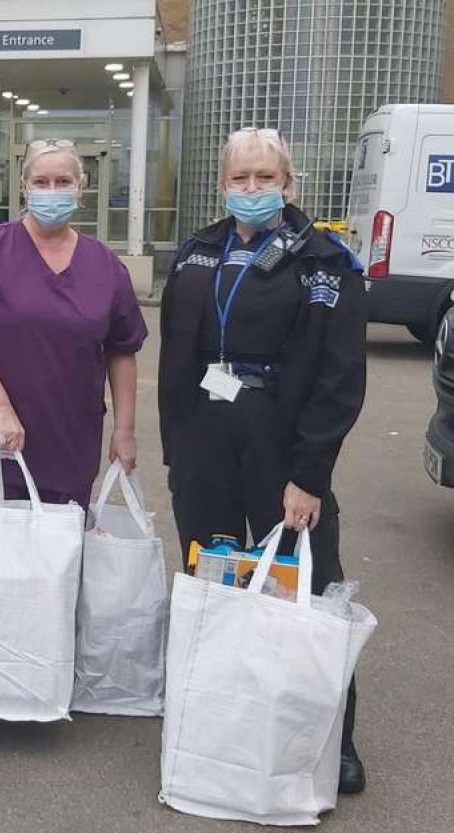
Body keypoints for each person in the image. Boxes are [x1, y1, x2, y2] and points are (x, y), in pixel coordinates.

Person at [158, 127, 368, 793]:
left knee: (302, 586)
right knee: (213, 572)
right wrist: (178, 447)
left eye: (265, 177)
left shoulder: (325, 262)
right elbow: (174, 351)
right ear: (223, 184)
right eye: (240, 178)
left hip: (283, 433)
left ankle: (331, 737)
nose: (251, 189)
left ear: (290, 184)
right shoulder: (198, 252)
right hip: (208, 432)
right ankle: (214, 715)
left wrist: (309, 474)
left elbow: (340, 378)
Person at [0, 138, 148, 727]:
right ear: (23, 186)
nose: (53, 192)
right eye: (41, 182)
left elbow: (123, 351)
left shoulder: (105, 266)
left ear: (83, 188)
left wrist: (124, 431)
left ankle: (37, 675)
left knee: (52, 565)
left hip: (69, 437)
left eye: (63, 182)